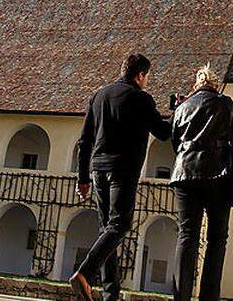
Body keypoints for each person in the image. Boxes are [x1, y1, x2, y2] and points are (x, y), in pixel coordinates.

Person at [70, 53, 170, 301]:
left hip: (97, 170)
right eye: (147, 77)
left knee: (108, 230)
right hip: (122, 170)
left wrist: (82, 177)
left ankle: (110, 294)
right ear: (140, 75)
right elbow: (163, 132)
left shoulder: (99, 96)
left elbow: (85, 141)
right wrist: (178, 112)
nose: (147, 81)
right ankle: (84, 273)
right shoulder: (141, 99)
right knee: (120, 225)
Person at [168, 64, 233, 301]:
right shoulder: (225, 103)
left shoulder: (182, 108)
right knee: (217, 238)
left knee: (187, 235)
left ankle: (180, 296)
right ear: (214, 84)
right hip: (218, 175)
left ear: (196, 84)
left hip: (184, 174)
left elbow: (175, 141)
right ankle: (208, 297)